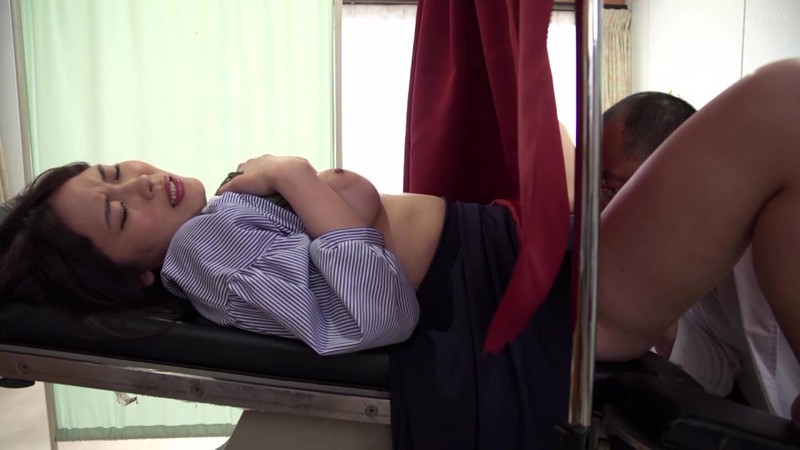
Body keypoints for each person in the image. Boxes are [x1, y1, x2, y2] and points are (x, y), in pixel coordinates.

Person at [1, 59, 800, 424]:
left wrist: (322, 196)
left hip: (528, 282)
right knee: (780, 103)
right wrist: (297, 175)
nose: (137, 185)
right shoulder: (202, 253)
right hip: (541, 313)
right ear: (132, 278)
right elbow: (379, 312)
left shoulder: (211, 236)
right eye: (117, 214)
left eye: (114, 172)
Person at [599, 91, 800, 421]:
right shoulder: (666, 254)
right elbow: (722, 374)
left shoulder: (773, 226)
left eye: (614, 189)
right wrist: (655, 321)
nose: (604, 212)